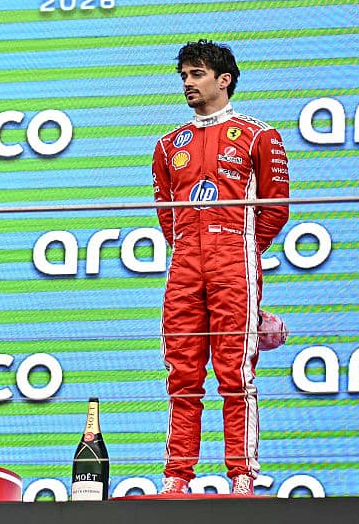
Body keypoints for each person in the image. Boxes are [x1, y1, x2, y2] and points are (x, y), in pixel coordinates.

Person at [152, 40, 289, 496]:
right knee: (182, 372)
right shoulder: (169, 144)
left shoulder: (258, 135)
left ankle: (243, 475)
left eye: (196, 74)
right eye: (183, 76)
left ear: (223, 79)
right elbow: (166, 215)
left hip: (235, 257)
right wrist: (192, 246)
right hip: (185, 263)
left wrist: (241, 244)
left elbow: (275, 209)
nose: (187, 83)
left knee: (235, 370)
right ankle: (177, 476)